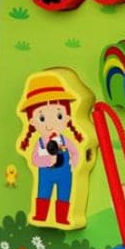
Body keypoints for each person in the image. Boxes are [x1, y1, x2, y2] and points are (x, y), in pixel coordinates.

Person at [17, 72, 84, 225]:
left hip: (65, 174)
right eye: (42, 118)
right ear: (32, 122)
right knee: (43, 193)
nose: (50, 124)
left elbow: (74, 151)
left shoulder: (64, 140)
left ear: (67, 117)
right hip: (46, 175)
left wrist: (74, 162)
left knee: (64, 194)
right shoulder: (40, 142)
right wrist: (48, 160)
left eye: (58, 116)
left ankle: (62, 218)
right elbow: (35, 159)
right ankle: (41, 215)